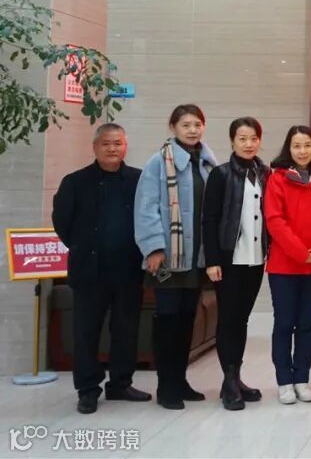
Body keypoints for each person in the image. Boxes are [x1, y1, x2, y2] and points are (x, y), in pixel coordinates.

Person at [53, 123, 150, 414]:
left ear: (125, 147)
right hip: (89, 271)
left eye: (117, 143)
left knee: (126, 330)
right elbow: (62, 223)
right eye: (106, 143)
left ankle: (120, 383)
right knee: (86, 332)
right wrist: (83, 247)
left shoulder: (139, 180)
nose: (112, 148)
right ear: (95, 147)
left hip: (128, 269)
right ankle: (87, 389)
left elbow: (148, 217)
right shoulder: (75, 182)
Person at [134, 104, 219, 410]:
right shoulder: (158, 162)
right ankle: (166, 386)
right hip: (168, 258)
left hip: (196, 258)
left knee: (186, 321)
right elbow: (146, 209)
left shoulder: (208, 163)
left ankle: (180, 380)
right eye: (186, 125)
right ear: (173, 128)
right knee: (168, 322)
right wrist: (154, 248)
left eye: (197, 124)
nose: (193, 130)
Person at [202, 117, 271, 410]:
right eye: (242, 139)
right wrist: (212, 260)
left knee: (241, 319)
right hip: (228, 259)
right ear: (232, 141)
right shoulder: (220, 174)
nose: (248, 144)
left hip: (255, 259)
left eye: (253, 138)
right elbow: (209, 219)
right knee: (228, 319)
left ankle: (235, 377)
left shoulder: (265, 174)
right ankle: (229, 381)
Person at [265, 126, 311, 405]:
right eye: (296, 146)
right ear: (289, 149)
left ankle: (302, 379)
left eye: (307, 145)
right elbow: (274, 219)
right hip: (284, 266)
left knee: (306, 325)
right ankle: (284, 381)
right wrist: (299, 252)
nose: (302, 151)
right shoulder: (277, 179)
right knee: (284, 324)